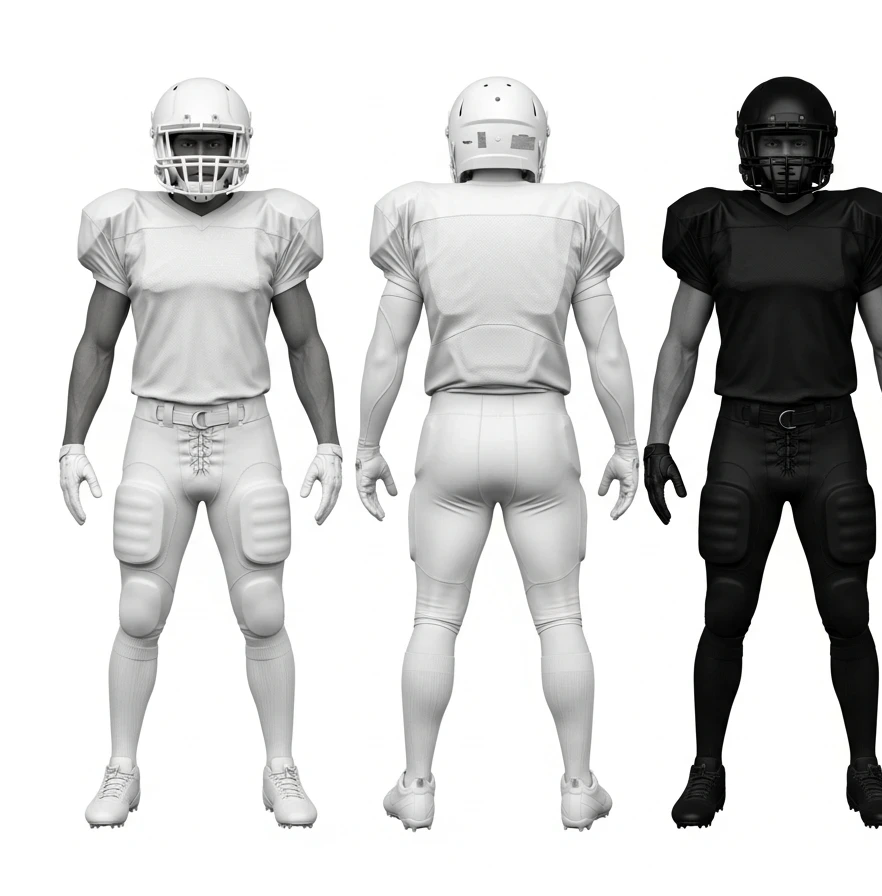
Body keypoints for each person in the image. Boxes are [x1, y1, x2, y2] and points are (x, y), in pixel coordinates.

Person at [356, 77, 639, 832]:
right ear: (535, 141)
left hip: (451, 427)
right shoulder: (577, 212)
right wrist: (626, 443)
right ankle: (578, 787)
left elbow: (388, 347)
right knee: (561, 618)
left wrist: (365, 444)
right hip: (543, 427)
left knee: (433, 619)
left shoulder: (416, 212)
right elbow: (605, 348)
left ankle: (416, 786)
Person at [645, 76, 882, 829]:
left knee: (848, 613)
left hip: (832, 432)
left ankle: (864, 768)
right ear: (748, 149)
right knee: (725, 612)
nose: (787, 158)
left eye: (798, 142)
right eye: (774, 143)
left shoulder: (857, 224)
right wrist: (658, 437)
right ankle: (707, 768)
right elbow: (683, 340)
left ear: (824, 148)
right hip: (744, 432)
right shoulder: (715, 225)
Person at [63, 78, 341, 828]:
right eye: (186, 141)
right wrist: (71, 440)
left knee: (263, 608)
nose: (199, 155)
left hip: (244, 428)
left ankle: (280, 765)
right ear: (161, 147)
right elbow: (99, 339)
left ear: (239, 148)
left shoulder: (273, 224)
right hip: (155, 429)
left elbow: (303, 340)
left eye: (213, 142)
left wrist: (329, 441)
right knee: (139, 609)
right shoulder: (127, 224)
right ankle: (122, 766)